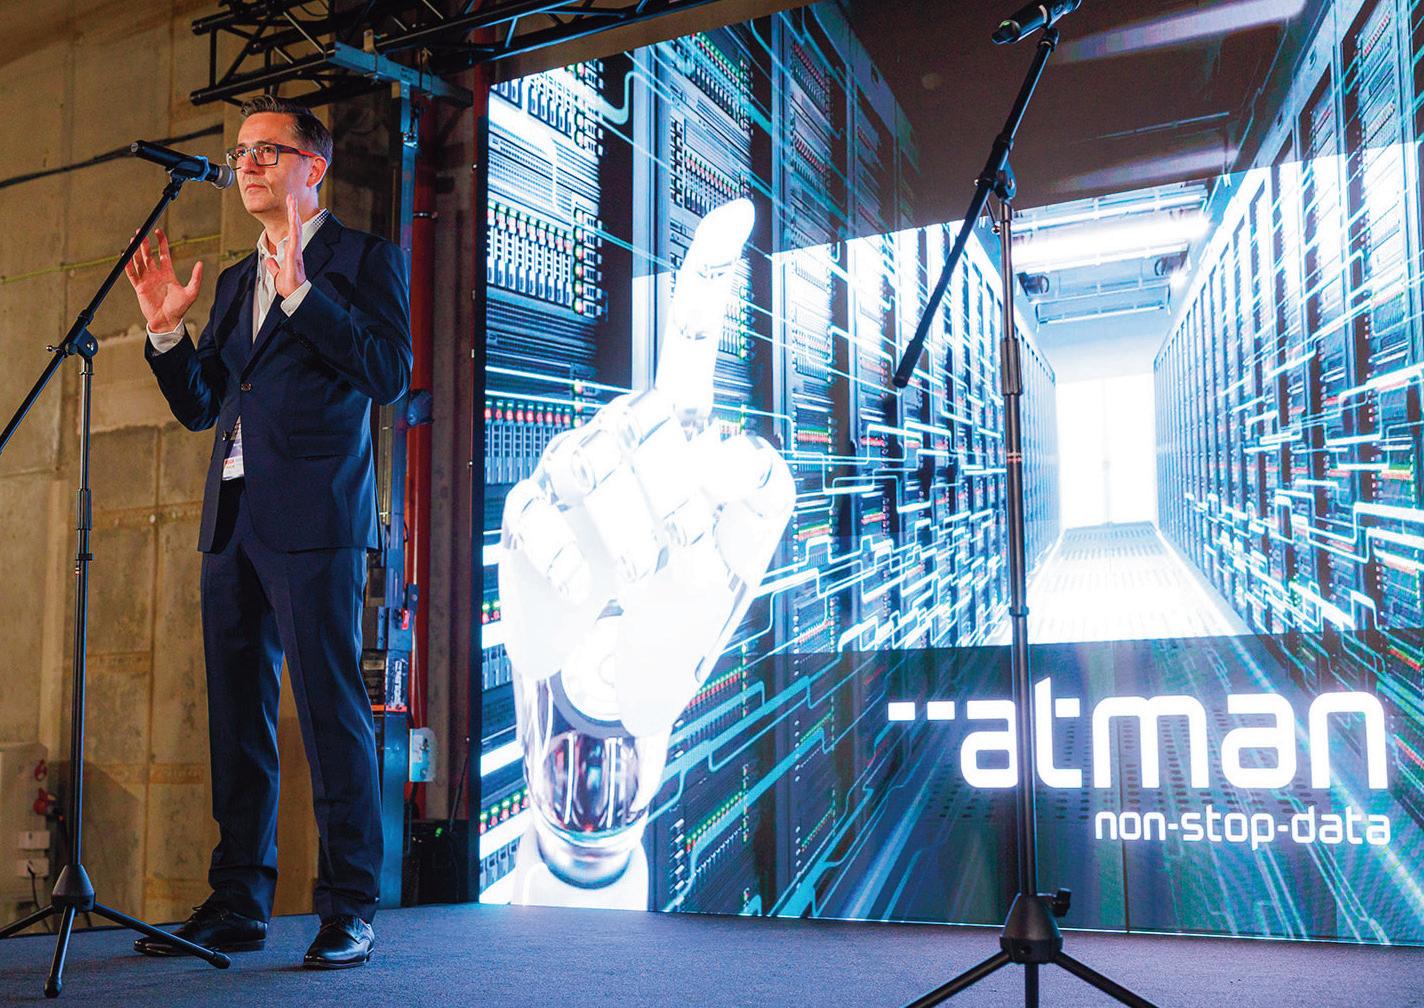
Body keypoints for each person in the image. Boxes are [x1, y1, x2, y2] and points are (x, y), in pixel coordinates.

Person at [123, 93, 411, 969]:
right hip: (234, 517)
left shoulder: (364, 260)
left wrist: (304, 297)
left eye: (265, 151)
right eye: (240, 153)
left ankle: (349, 907)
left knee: (331, 716)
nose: (245, 165)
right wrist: (167, 335)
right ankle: (238, 901)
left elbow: (388, 373)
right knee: (237, 719)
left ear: (313, 166)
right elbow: (205, 405)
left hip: (317, 517)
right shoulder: (234, 279)